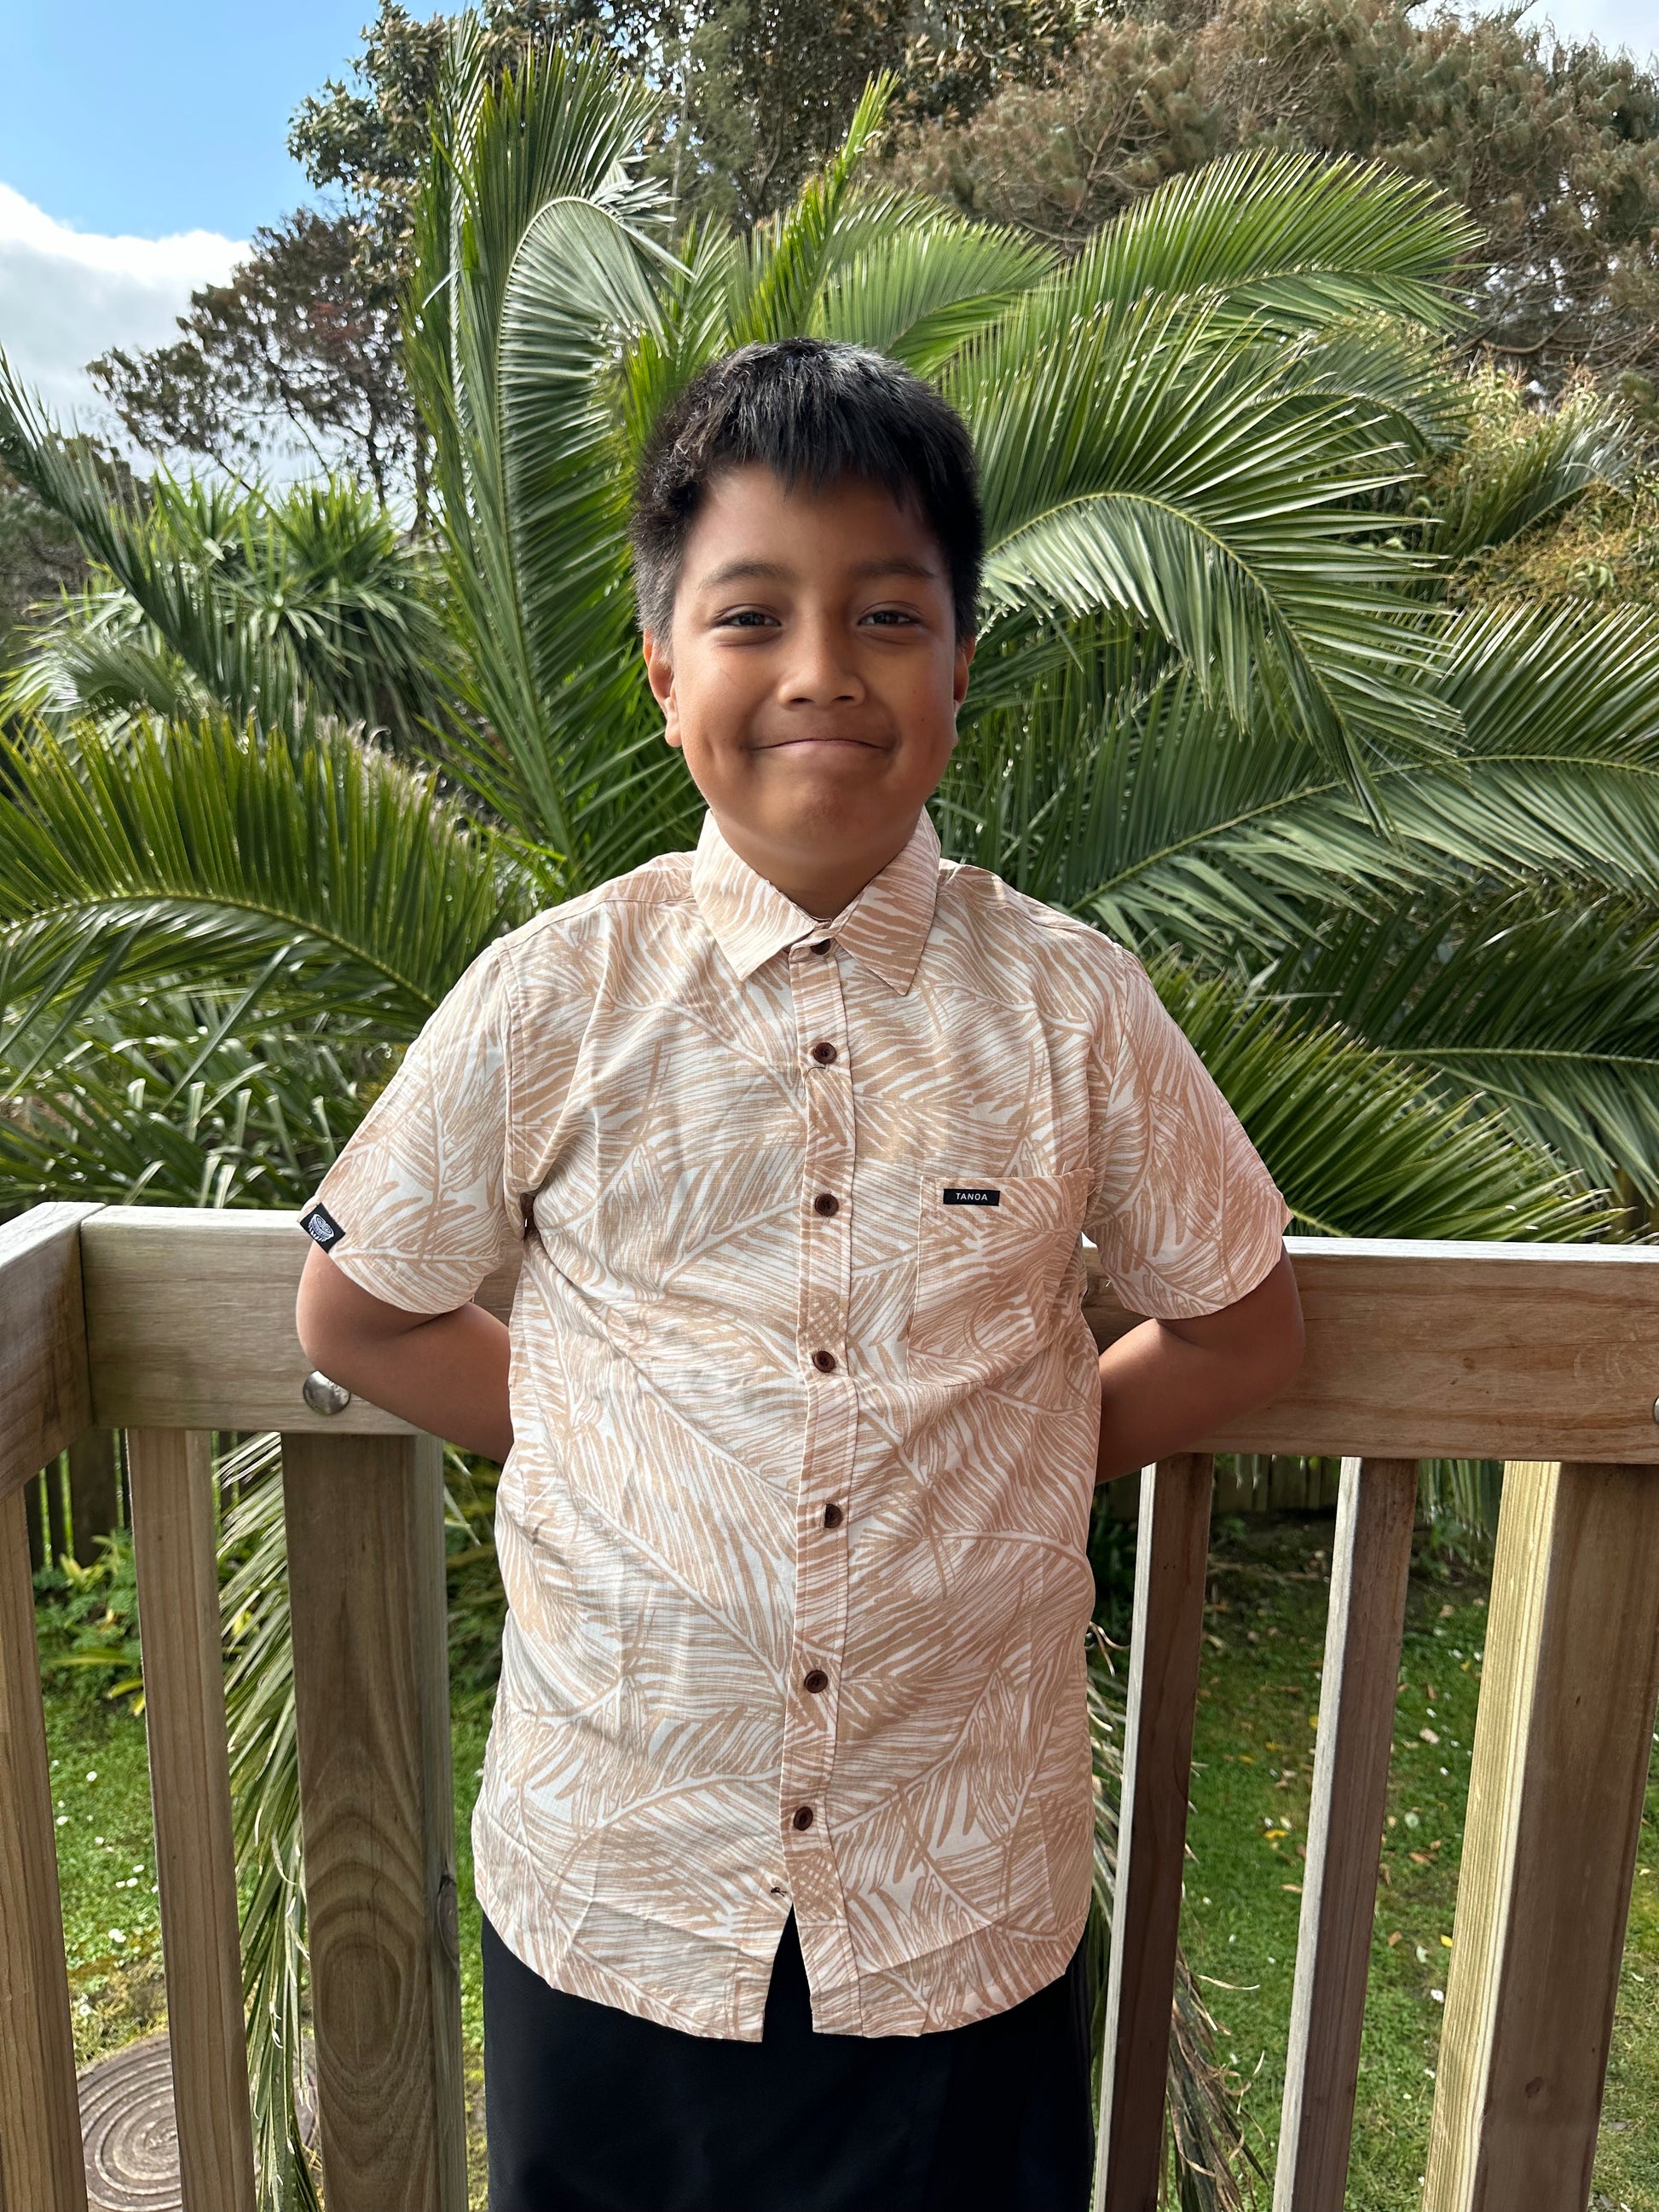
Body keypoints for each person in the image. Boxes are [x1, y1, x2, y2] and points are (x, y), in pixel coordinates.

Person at [293, 336, 1305, 2212]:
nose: (822, 668)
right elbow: (357, 1308)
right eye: (752, 613)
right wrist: (632, 1446)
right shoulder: (551, 994)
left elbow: (1242, 1327)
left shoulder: (1073, 1008)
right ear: (663, 664)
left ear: (960, 662)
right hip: (612, 1884)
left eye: (888, 614)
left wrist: (1013, 1454)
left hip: (958, 1901)